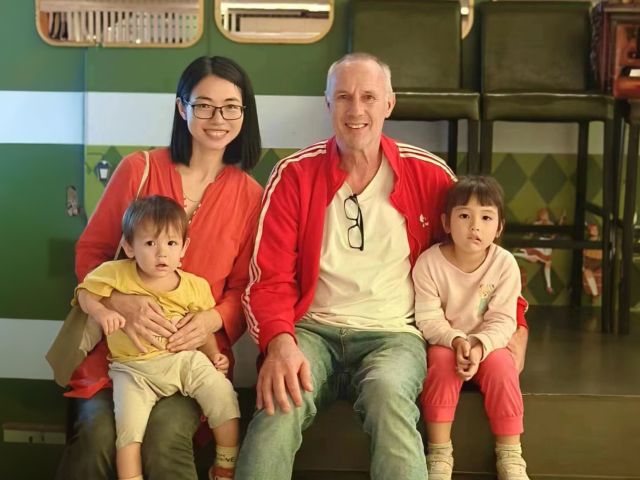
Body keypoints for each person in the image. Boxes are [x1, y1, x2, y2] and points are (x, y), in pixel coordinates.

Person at [236, 53, 528, 480]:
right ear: (327, 105)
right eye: (344, 98)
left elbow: (478, 257)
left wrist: (516, 327)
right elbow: (268, 279)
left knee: (390, 397)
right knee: (279, 405)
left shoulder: (429, 175)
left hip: (394, 335)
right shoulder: (293, 175)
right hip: (310, 331)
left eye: (369, 97)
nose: (356, 110)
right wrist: (278, 343)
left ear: (389, 103)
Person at [55, 55, 263, 480]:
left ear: (245, 113)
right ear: (181, 107)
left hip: (189, 359)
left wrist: (210, 320)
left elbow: (245, 290)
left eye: (230, 106)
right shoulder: (139, 169)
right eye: (203, 104)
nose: (217, 117)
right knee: (97, 438)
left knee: (165, 438)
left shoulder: (250, 195)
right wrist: (121, 302)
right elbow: (90, 253)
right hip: (116, 356)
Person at [76, 195, 240, 480]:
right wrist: (102, 313)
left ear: (184, 248)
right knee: (128, 434)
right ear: (129, 247)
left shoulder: (194, 286)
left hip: (182, 361)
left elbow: (203, 330)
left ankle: (225, 464)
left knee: (223, 395)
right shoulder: (115, 274)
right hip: (132, 370)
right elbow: (84, 293)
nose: (161, 254)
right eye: (150, 243)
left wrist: (214, 356)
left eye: (171, 243)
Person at [413, 176, 530, 480]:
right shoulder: (429, 264)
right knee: (439, 363)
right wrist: (454, 341)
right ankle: (439, 453)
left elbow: (504, 318)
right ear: (446, 222)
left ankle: (510, 453)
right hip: (446, 343)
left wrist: (479, 345)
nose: (475, 226)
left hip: (489, 345)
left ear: (499, 227)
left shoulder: (504, 264)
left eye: (486, 217)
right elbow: (427, 317)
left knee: (503, 366)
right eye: (464, 216)